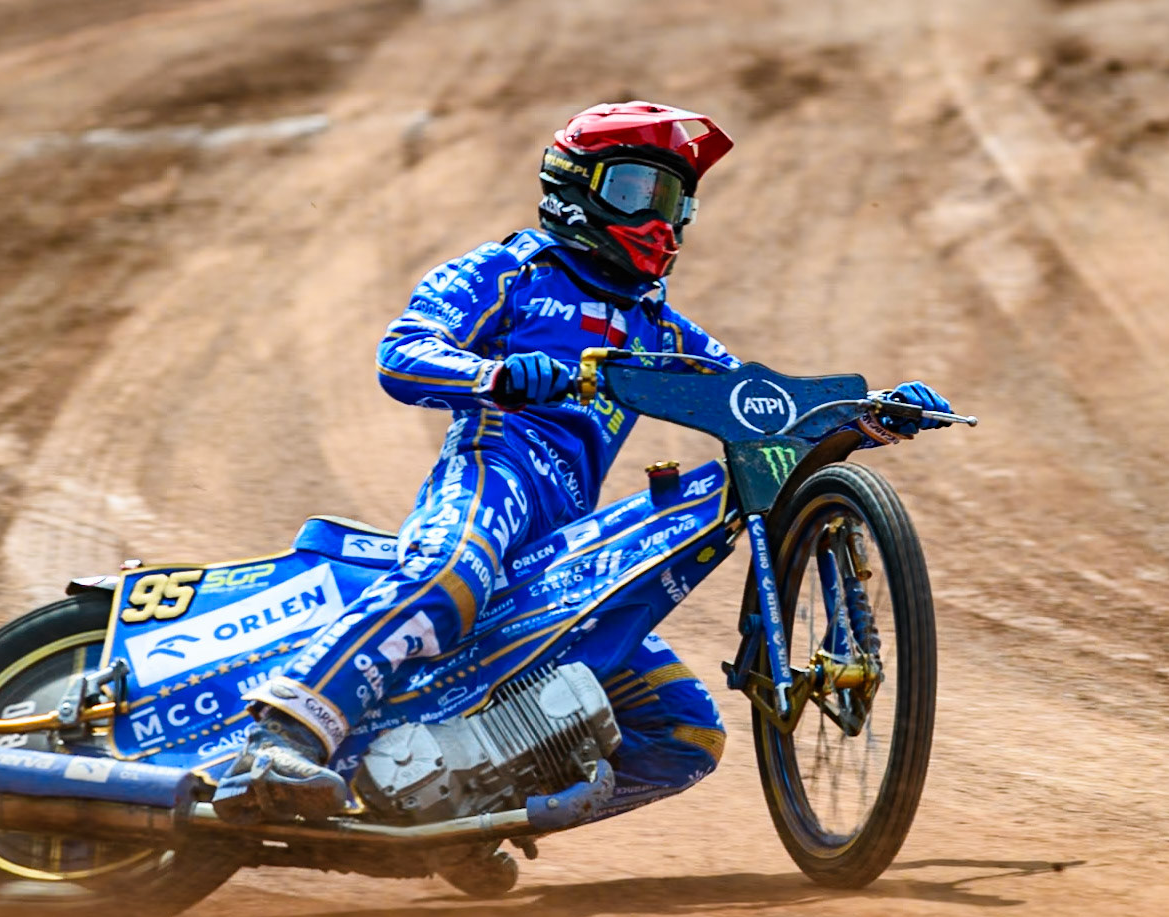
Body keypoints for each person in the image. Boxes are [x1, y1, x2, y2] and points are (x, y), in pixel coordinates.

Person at [214, 101, 951, 824]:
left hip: (567, 543)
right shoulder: (510, 272)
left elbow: (762, 411)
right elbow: (401, 352)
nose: (658, 217)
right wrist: (494, 376)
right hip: (493, 473)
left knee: (685, 733)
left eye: (674, 198)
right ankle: (279, 738)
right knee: (452, 572)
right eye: (635, 190)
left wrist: (870, 413)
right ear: (574, 185)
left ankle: (471, 807)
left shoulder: (659, 328)